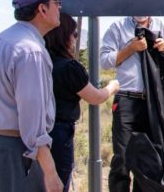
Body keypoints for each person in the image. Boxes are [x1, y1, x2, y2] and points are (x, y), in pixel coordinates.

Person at [0, 0, 69, 192]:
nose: (60, 8)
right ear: (42, 9)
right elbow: (33, 123)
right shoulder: (31, 52)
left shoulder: (5, 38)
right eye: (57, 2)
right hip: (16, 148)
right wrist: (51, 173)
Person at [43, 13, 120, 191]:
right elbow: (96, 97)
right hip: (60, 131)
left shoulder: (42, 60)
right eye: (74, 34)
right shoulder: (69, 68)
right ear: (64, 36)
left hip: (38, 131)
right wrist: (112, 86)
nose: (75, 38)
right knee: (59, 180)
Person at [100, 16, 164, 192]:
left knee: (149, 158)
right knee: (122, 160)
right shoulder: (117, 27)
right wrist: (130, 48)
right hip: (126, 99)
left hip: (152, 102)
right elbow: (104, 61)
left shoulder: (160, 26)